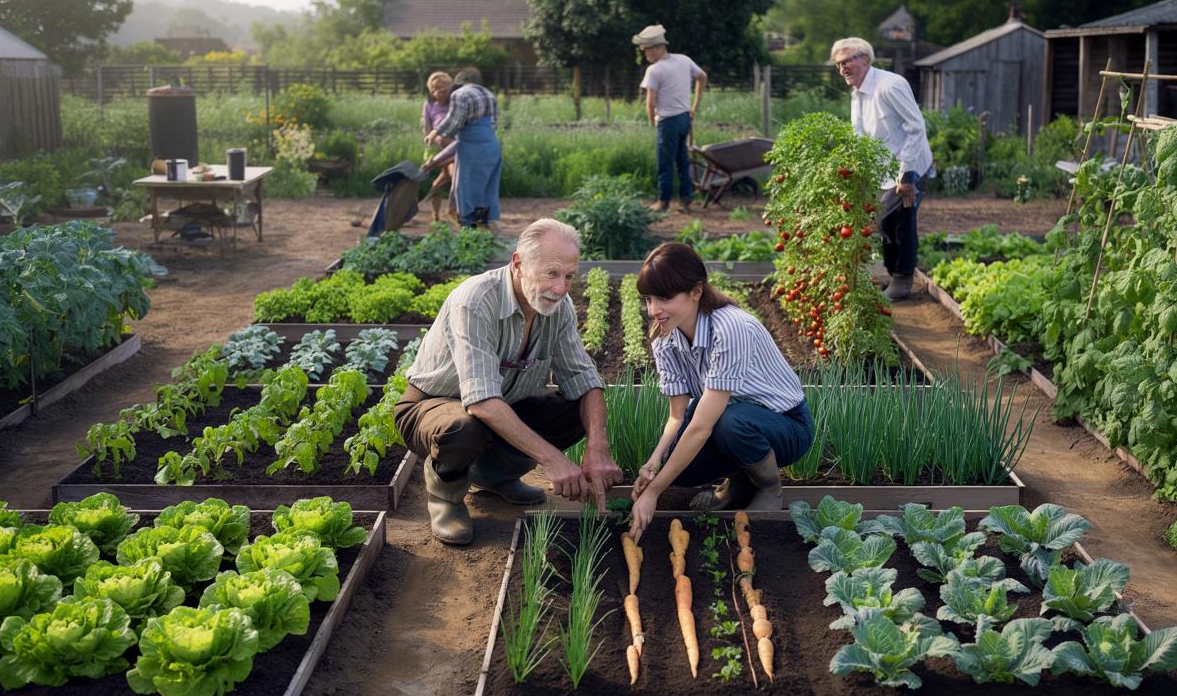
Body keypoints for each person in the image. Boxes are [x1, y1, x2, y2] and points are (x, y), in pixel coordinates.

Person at [393, 218, 623, 544]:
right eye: (551, 273)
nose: (561, 287)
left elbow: (584, 379)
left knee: (578, 411)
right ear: (518, 264)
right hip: (432, 407)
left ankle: (493, 476)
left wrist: (598, 449)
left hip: (500, 407)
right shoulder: (475, 300)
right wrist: (553, 460)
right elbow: (481, 403)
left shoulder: (559, 308)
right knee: (464, 427)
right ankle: (446, 495)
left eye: (569, 276)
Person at [627, 243, 814, 542]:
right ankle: (740, 484)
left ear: (696, 291)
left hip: (786, 427)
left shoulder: (730, 328)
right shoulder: (665, 338)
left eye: (664, 298)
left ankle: (769, 487)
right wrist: (654, 464)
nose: (653, 310)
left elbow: (702, 426)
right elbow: (677, 417)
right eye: (649, 299)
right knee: (680, 467)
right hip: (731, 420)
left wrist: (654, 492)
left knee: (728, 421)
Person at [830, 37, 933, 301]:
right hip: (883, 171)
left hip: (909, 166)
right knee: (886, 222)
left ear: (866, 59)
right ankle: (894, 275)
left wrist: (907, 174)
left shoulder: (890, 86)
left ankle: (902, 280)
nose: (842, 68)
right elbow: (860, 135)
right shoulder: (857, 92)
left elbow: (916, 128)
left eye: (847, 61)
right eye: (838, 64)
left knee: (901, 223)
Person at [633, 24, 707, 214]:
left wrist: (652, 123)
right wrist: (694, 107)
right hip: (684, 119)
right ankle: (686, 200)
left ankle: (663, 201)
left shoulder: (654, 70)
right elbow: (702, 76)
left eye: (646, 49)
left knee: (664, 162)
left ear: (658, 47)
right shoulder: (684, 60)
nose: (644, 53)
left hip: (667, 121)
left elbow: (650, 102)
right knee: (682, 161)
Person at [423, 66, 500, 228]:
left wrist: (435, 133)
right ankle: (482, 226)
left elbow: (453, 123)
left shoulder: (459, 95)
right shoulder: (489, 94)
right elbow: (493, 125)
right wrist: (436, 160)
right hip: (491, 147)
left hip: (471, 149)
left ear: (457, 83)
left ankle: (469, 228)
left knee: (465, 189)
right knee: (484, 189)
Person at [420, 71, 456, 224]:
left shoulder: (455, 103)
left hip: (455, 149)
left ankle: (456, 212)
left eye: (446, 91)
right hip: (439, 149)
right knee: (439, 182)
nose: (443, 95)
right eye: (439, 92)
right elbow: (427, 127)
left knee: (454, 176)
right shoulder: (429, 105)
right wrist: (431, 145)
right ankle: (435, 217)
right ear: (432, 91)